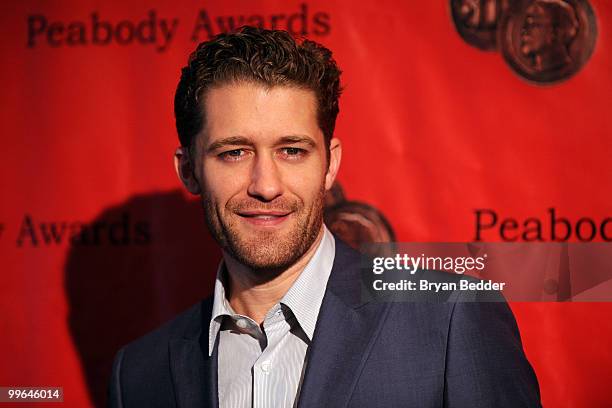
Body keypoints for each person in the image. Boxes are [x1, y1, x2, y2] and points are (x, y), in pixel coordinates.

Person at [108, 26, 541, 407]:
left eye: (292, 151)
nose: (266, 184)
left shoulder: (448, 319)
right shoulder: (139, 373)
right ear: (189, 170)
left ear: (330, 164)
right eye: (234, 152)